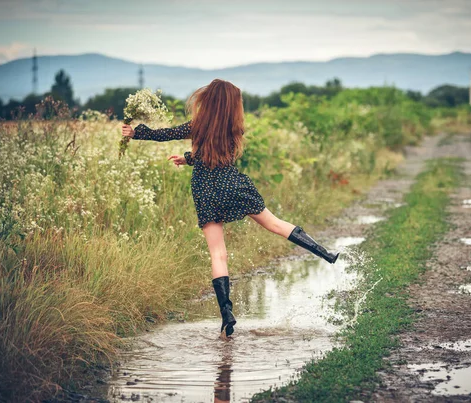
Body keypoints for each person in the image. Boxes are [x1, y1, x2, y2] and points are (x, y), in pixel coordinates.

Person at [122, 79, 339, 340]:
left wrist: (135, 133)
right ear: (232, 106)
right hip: (232, 186)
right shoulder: (235, 129)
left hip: (206, 191)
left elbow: (164, 134)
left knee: (218, 254)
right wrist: (188, 158)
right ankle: (325, 253)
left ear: (209, 100)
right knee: (276, 224)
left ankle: (227, 315)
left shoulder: (197, 126)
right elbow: (219, 157)